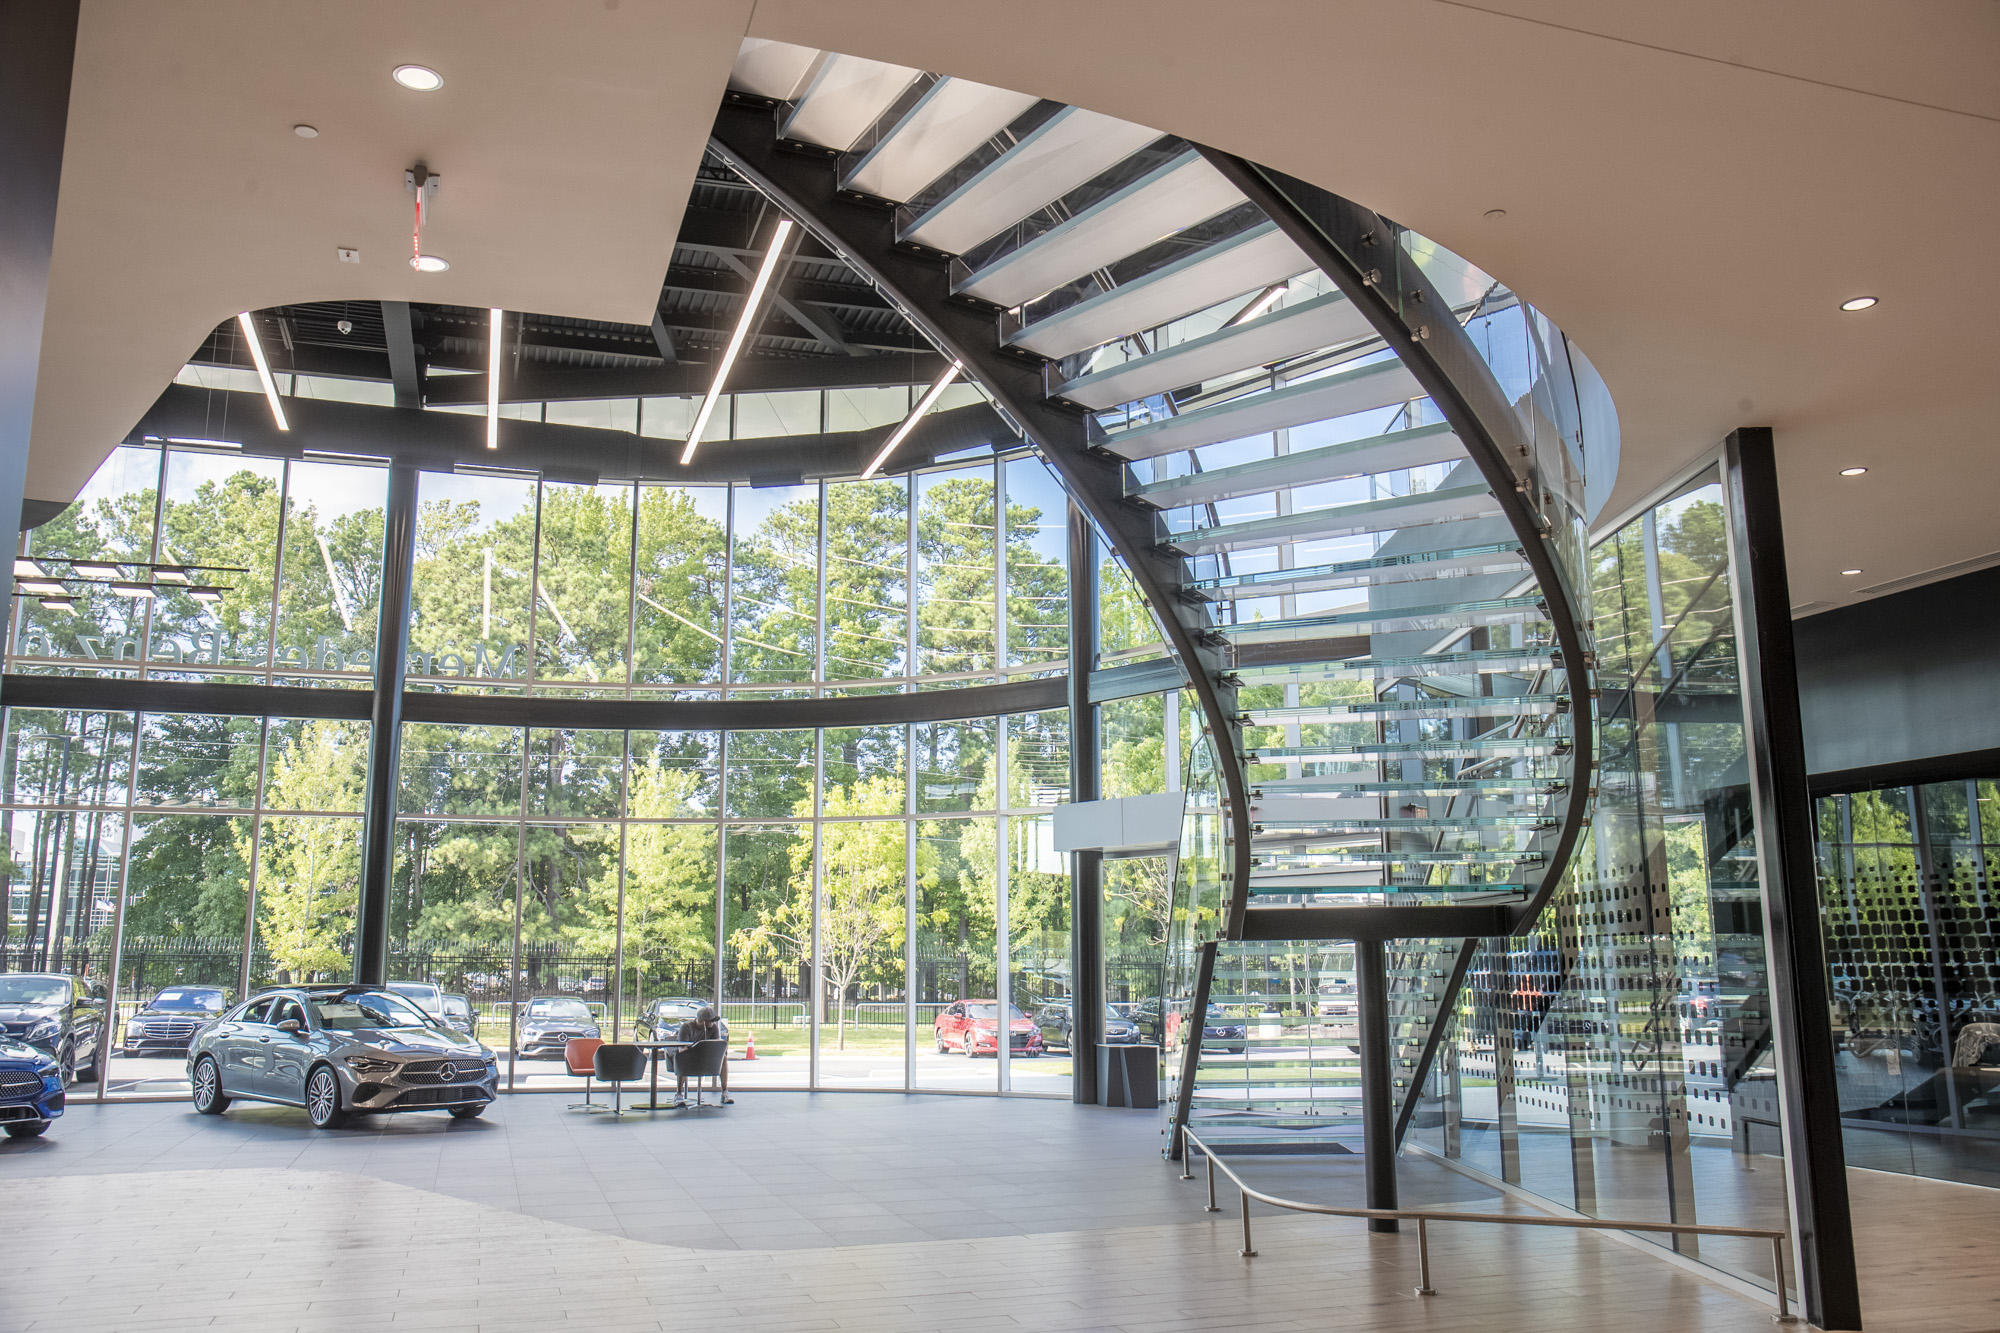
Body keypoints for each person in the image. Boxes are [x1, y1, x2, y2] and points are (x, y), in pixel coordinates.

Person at [667, 1005, 732, 1106]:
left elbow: (715, 1046)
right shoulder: (686, 1027)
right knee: (682, 1057)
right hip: (689, 1058)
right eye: (711, 1020)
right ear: (703, 1021)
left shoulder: (714, 1028)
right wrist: (696, 1051)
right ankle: (679, 1094)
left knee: (723, 1058)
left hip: (706, 1058)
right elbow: (682, 1048)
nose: (713, 1022)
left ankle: (725, 1092)